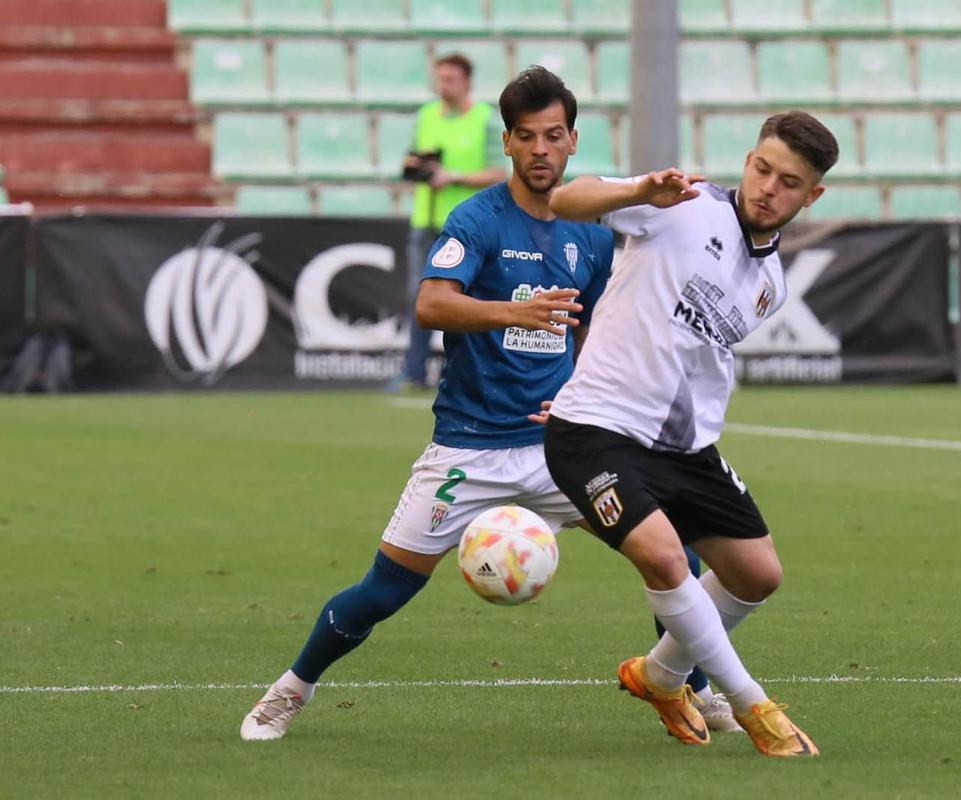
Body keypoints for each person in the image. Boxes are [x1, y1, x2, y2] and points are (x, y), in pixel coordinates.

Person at [240, 67, 731, 742]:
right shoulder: (476, 218)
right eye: (526, 136)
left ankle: (691, 688)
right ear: (506, 143)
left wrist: (583, 390)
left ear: (572, 140)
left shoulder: (589, 233)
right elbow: (430, 304)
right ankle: (291, 689)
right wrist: (513, 309)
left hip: (558, 446)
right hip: (468, 446)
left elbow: (594, 324)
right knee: (384, 590)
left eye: (553, 136)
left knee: (671, 551)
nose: (540, 150)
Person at [543, 111, 839, 758]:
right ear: (748, 160)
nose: (767, 188)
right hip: (597, 430)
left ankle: (661, 675)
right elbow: (565, 198)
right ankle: (751, 702)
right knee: (665, 557)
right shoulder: (682, 203)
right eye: (761, 168)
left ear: (811, 196)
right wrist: (635, 190)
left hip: (683, 450)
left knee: (757, 574)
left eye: (788, 182)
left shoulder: (771, 285)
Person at [395, 52, 508, 391]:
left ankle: (465, 372)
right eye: (440, 78)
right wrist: (416, 166)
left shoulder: (486, 120)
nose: (443, 85)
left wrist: (453, 176)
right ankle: (413, 371)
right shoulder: (427, 115)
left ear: (467, 82)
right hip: (427, 218)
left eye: (450, 79)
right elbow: (413, 156)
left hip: (469, 225)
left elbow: (499, 172)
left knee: (469, 299)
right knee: (420, 295)